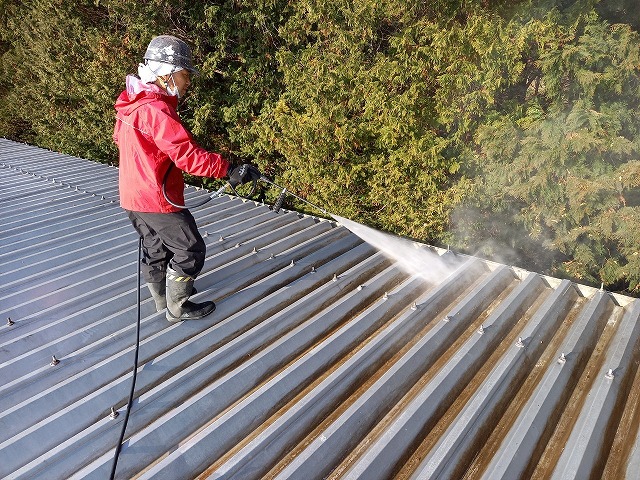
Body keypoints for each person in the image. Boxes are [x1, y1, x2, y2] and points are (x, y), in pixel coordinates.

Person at [113, 35, 260, 322]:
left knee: (156, 249)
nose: (187, 82)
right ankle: (177, 308)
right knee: (190, 250)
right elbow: (186, 155)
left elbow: (121, 142)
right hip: (157, 198)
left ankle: (160, 301)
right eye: (184, 74)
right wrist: (229, 170)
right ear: (165, 74)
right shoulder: (156, 111)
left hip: (132, 197)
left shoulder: (130, 104)